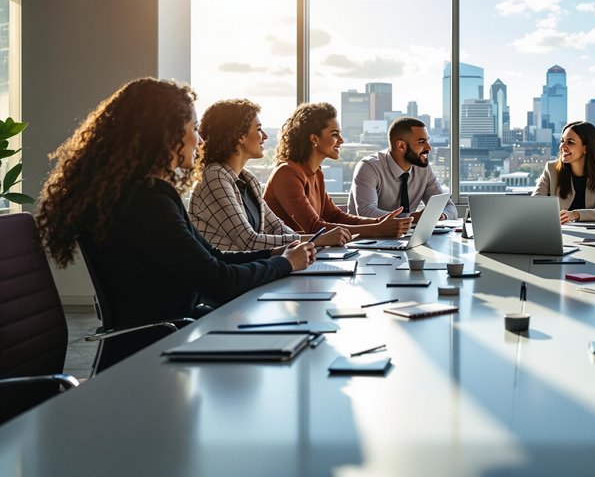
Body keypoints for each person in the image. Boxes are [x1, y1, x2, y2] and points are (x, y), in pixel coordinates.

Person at [35, 78, 313, 361]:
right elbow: (218, 280)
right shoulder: (146, 201)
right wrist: (284, 264)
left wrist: (274, 254)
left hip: (174, 332)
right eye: (194, 129)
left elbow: (212, 257)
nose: (201, 141)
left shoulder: (141, 193)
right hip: (159, 350)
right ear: (165, 135)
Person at [189, 99, 350, 251]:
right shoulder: (214, 177)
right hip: (226, 276)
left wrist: (311, 243)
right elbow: (248, 241)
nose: (265, 136)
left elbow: (276, 228)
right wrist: (317, 240)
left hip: (252, 271)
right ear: (240, 136)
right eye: (258, 129)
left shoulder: (247, 178)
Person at [263, 102, 411, 237]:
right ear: (314, 139)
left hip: (309, 253)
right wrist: (377, 229)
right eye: (334, 134)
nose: (341, 140)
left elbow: (334, 216)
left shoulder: (316, 173)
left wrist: (378, 221)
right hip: (286, 258)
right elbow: (314, 227)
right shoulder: (287, 173)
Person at [348, 117, 457, 223]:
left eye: (427, 141)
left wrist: (440, 215)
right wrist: (411, 218)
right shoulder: (368, 167)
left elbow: (449, 207)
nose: (429, 147)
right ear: (401, 146)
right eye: (421, 142)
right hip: (367, 238)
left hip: (407, 236)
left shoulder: (423, 169)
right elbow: (366, 213)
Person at [532, 121, 595, 223]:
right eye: (562, 141)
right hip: (563, 232)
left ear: (586, 147)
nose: (562, 147)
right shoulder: (551, 169)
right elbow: (534, 205)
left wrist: (575, 214)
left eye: (570, 142)